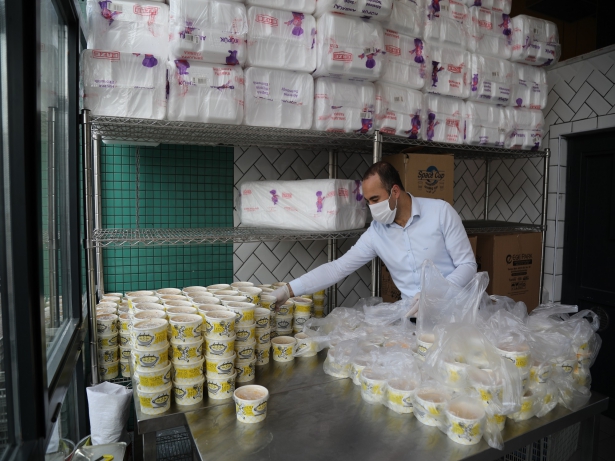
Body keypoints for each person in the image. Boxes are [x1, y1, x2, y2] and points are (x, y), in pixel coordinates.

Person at [271, 161, 477, 317]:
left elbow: (467, 265)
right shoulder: (376, 232)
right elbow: (337, 268)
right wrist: (287, 290)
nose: (372, 207)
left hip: (456, 315)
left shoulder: (440, 212)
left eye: (376, 199)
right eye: (368, 201)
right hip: (413, 319)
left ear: (395, 191)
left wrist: (435, 294)